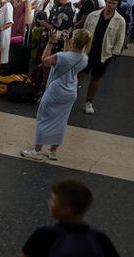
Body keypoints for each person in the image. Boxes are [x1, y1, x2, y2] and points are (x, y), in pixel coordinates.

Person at [21, 29, 92, 161]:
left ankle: (37, 150)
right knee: (61, 121)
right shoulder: (84, 59)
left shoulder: (61, 56)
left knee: (44, 119)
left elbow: (45, 61)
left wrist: (50, 42)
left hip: (55, 91)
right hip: (70, 92)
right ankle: (53, 151)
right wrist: (66, 41)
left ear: (74, 40)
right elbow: (69, 58)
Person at [80, 0, 126, 115]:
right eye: (109, 2)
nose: (110, 5)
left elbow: (120, 38)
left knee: (96, 78)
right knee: (80, 74)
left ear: (117, 4)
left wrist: (115, 52)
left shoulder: (120, 20)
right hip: (88, 50)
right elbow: (84, 30)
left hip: (104, 53)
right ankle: (70, 96)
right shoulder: (93, 15)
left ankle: (88, 102)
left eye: (113, 3)